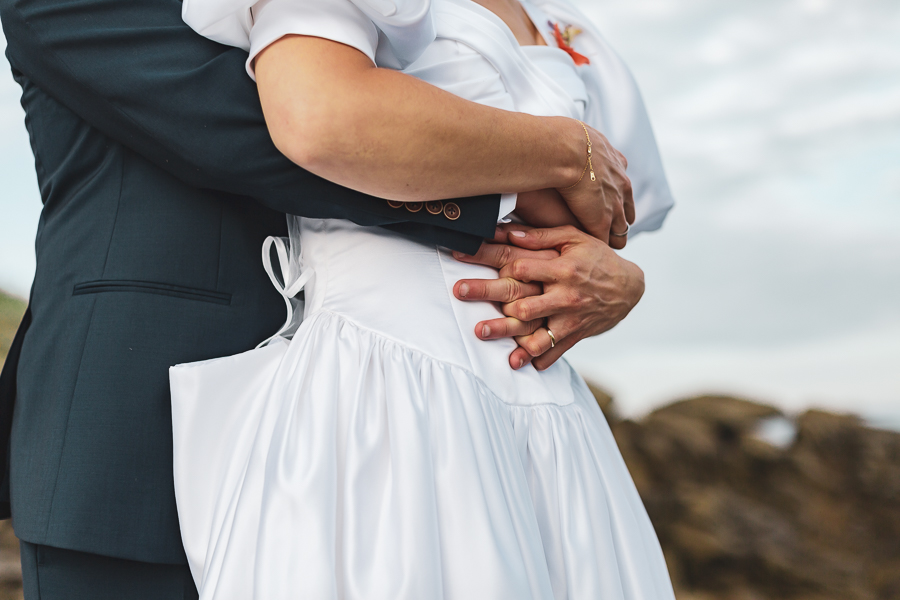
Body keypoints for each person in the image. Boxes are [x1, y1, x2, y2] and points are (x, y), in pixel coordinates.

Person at [0, 0, 668, 597]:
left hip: (409, 423)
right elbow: (260, 127)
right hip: (139, 428)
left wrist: (610, 267)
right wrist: (534, 192)